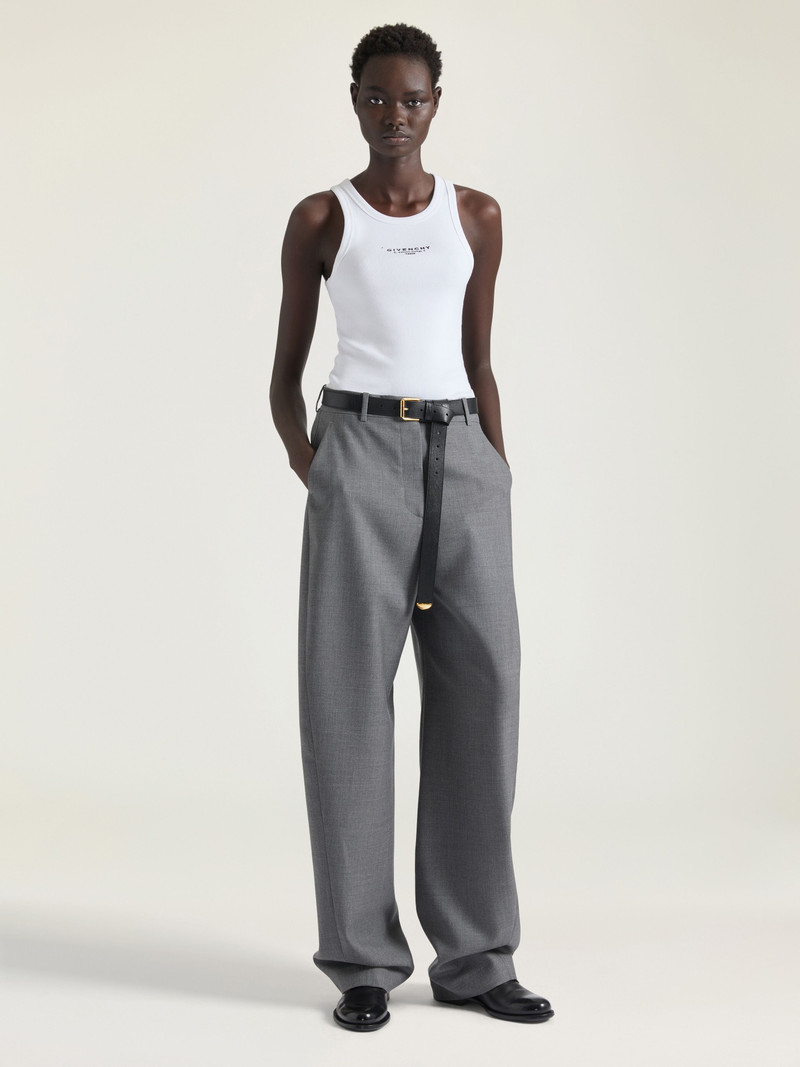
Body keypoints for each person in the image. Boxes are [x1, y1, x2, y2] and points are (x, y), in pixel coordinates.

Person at [270, 23, 554, 1032]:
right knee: (346, 702)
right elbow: (283, 376)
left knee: (485, 697)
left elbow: (480, 359)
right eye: (378, 97)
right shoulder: (322, 217)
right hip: (356, 451)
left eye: (413, 99)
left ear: (437, 104)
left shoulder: (475, 215)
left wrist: (496, 471)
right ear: (354, 101)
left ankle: (476, 958)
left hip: (464, 456)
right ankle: (361, 959)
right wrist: (319, 468)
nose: (396, 115)